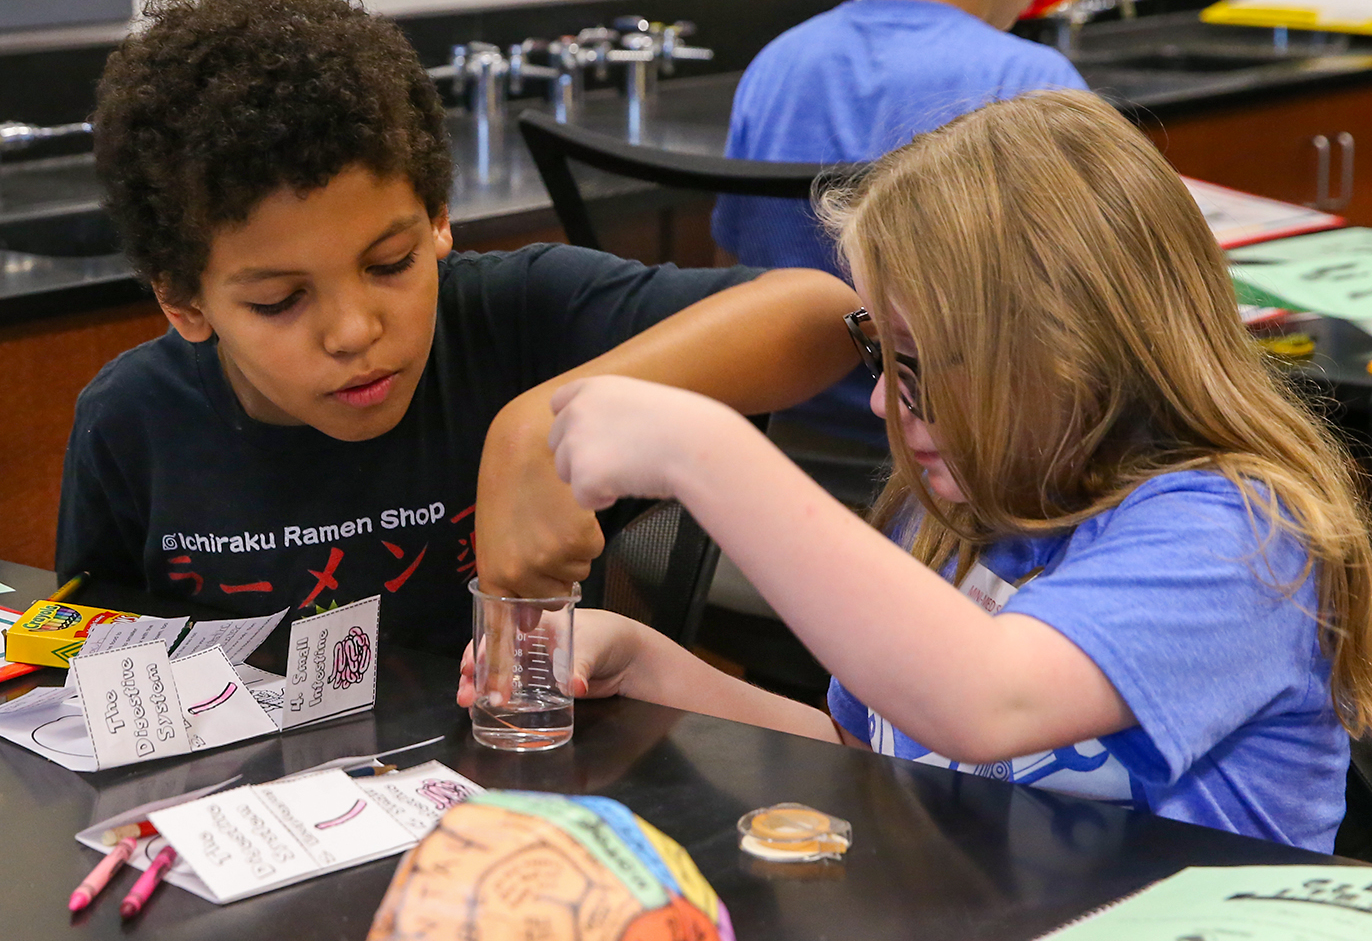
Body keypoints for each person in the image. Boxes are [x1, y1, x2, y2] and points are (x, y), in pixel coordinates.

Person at [480, 90, 1372, 852]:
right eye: (881, 355)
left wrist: (702, 449)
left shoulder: (1240, 541)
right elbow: (873, 757)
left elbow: (987, 702)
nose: (882, 407)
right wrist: (654, 668)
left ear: (1070, 357)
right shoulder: (953, 514)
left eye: (923, 365)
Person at [55, 0, 861, 653]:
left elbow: (825, 315)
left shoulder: (518, 319)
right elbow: (93, 666)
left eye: (391, 264)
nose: (355, 332)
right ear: (183, 301)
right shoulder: (132, 427)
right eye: (278, 301)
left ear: (439, 217)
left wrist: (532, 427)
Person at [714, 0, 1100, 441]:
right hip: (960, 473)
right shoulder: (1035, 90)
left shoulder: (777, 65)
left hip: (788, 458)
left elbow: (727, 290)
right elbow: (1080, 341)